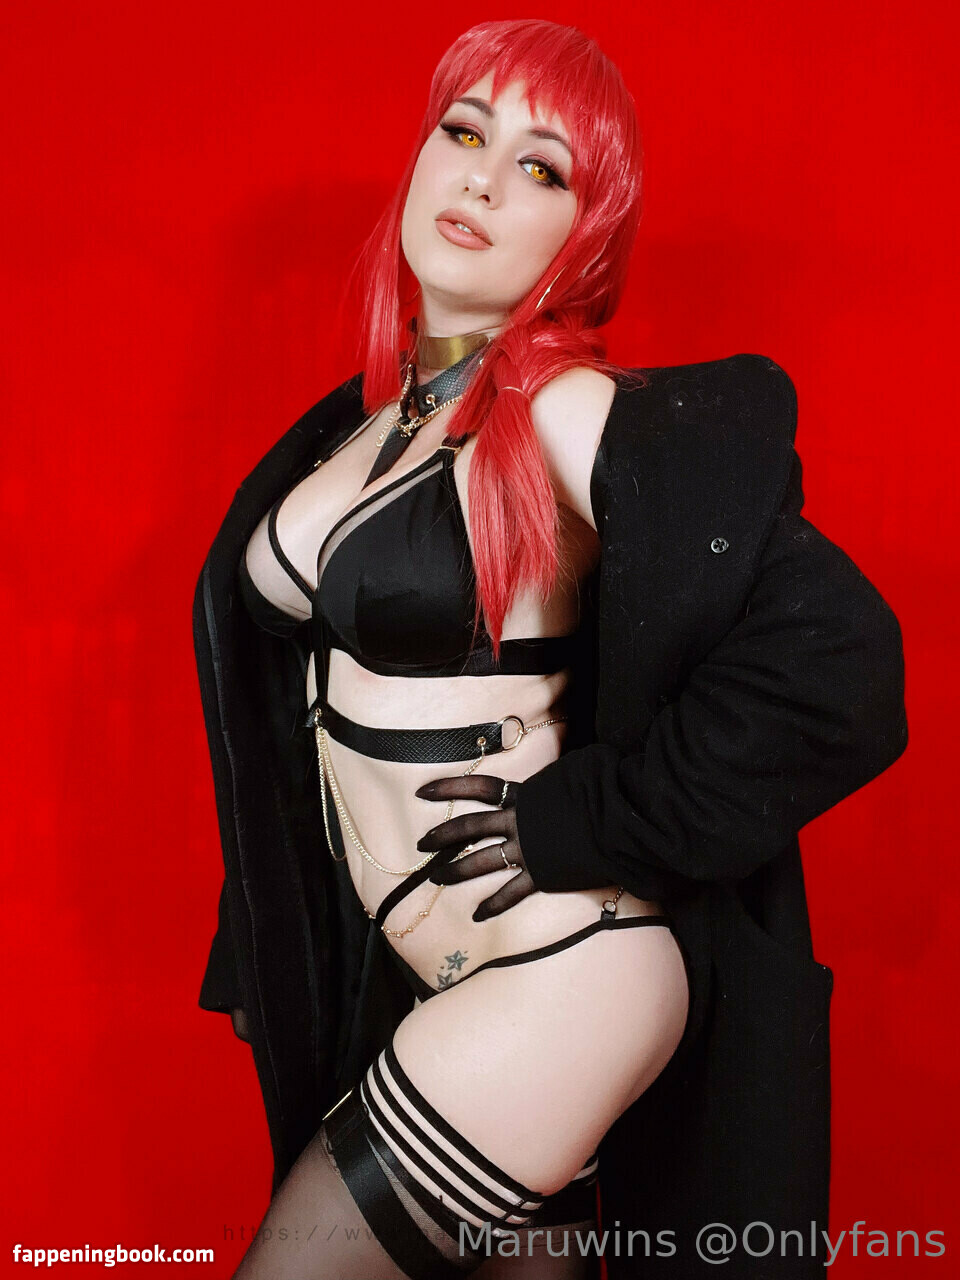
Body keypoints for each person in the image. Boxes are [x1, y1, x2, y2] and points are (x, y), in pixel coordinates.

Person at [193, 20, 908, 1280]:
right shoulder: (364, 430)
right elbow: (301, 705)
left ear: (588, 235)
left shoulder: (560, 411)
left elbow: (842, 660)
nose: (481, 178)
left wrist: (583, 818)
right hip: (434, 977)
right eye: (464, 131)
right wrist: (268, 919)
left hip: (561, 978)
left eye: (542, 167)